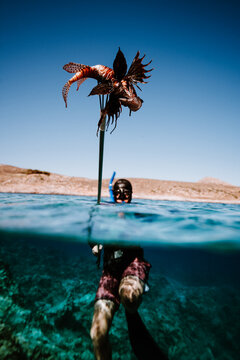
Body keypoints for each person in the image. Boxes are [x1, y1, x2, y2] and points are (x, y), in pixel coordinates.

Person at [90, 178, 151, 360]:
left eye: (125, 194)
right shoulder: (104, 212)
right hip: (110, 271)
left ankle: (131, 310)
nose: (121, 198)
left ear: (131, 196)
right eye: (117, 194)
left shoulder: (138, 213)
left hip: (133, 263)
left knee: (129, 296)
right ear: (113, 194)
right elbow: (90, 231)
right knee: (97, 334)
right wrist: (94, 243)